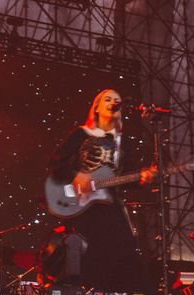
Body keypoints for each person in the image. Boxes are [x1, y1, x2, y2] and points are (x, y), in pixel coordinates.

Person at [48, 89, 157, 293]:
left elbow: (124, 178)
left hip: (111, 206)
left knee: (126, 255)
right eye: (107, 99)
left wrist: (142, 178)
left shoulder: (121, 142)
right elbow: (56, 164)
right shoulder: (82, 134)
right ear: (96, 106)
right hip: (85, 208)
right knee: (94, 258)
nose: (113, 102)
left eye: (116, 100)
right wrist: (76, 176)